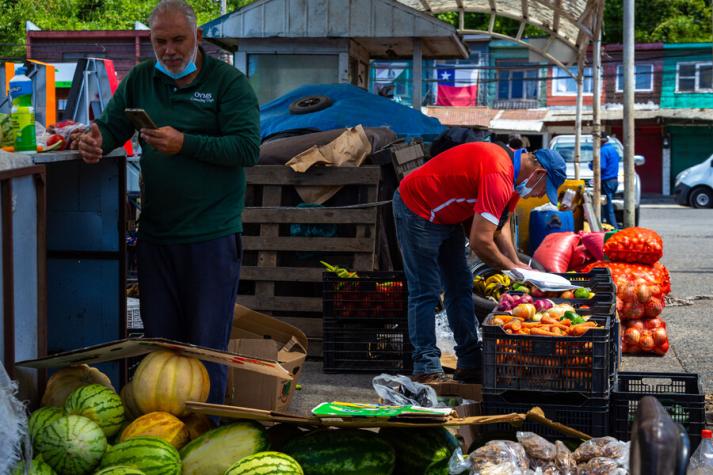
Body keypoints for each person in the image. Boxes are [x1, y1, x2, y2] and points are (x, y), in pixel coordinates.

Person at [74, 0, 260, 404]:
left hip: (211, 235)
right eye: (161, 41)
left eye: (178, 40)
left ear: (198, 37)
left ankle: (207, 426)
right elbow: (111, 126)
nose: (170, 50)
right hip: (157, 234)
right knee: (162, 347)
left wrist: (185, 143)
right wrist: (94, 143)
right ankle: (166, 430)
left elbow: (247, 148)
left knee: (205, 347)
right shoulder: (142, 79)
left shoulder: (228, 83)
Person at [392, 142, 566, 383]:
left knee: (460, 286)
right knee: (426, 291)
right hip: (419, 208)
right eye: (544, 190)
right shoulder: (499, 175)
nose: (539, 196)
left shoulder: (514, 179)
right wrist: (509, 267)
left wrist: (517, 262)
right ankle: (426, 365)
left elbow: (501, 225)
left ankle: (470, 361)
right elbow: (480, 241)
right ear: (539, 174)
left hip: (449, 215)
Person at [591, 132, 621, 229]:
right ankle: (607, 226)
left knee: (607, 208)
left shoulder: (603, 151)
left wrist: (591, 164)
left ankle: (613, 227)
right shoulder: (613, 149)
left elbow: (600, 166)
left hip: (606, 181)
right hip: (613, 181)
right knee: (606, 206)